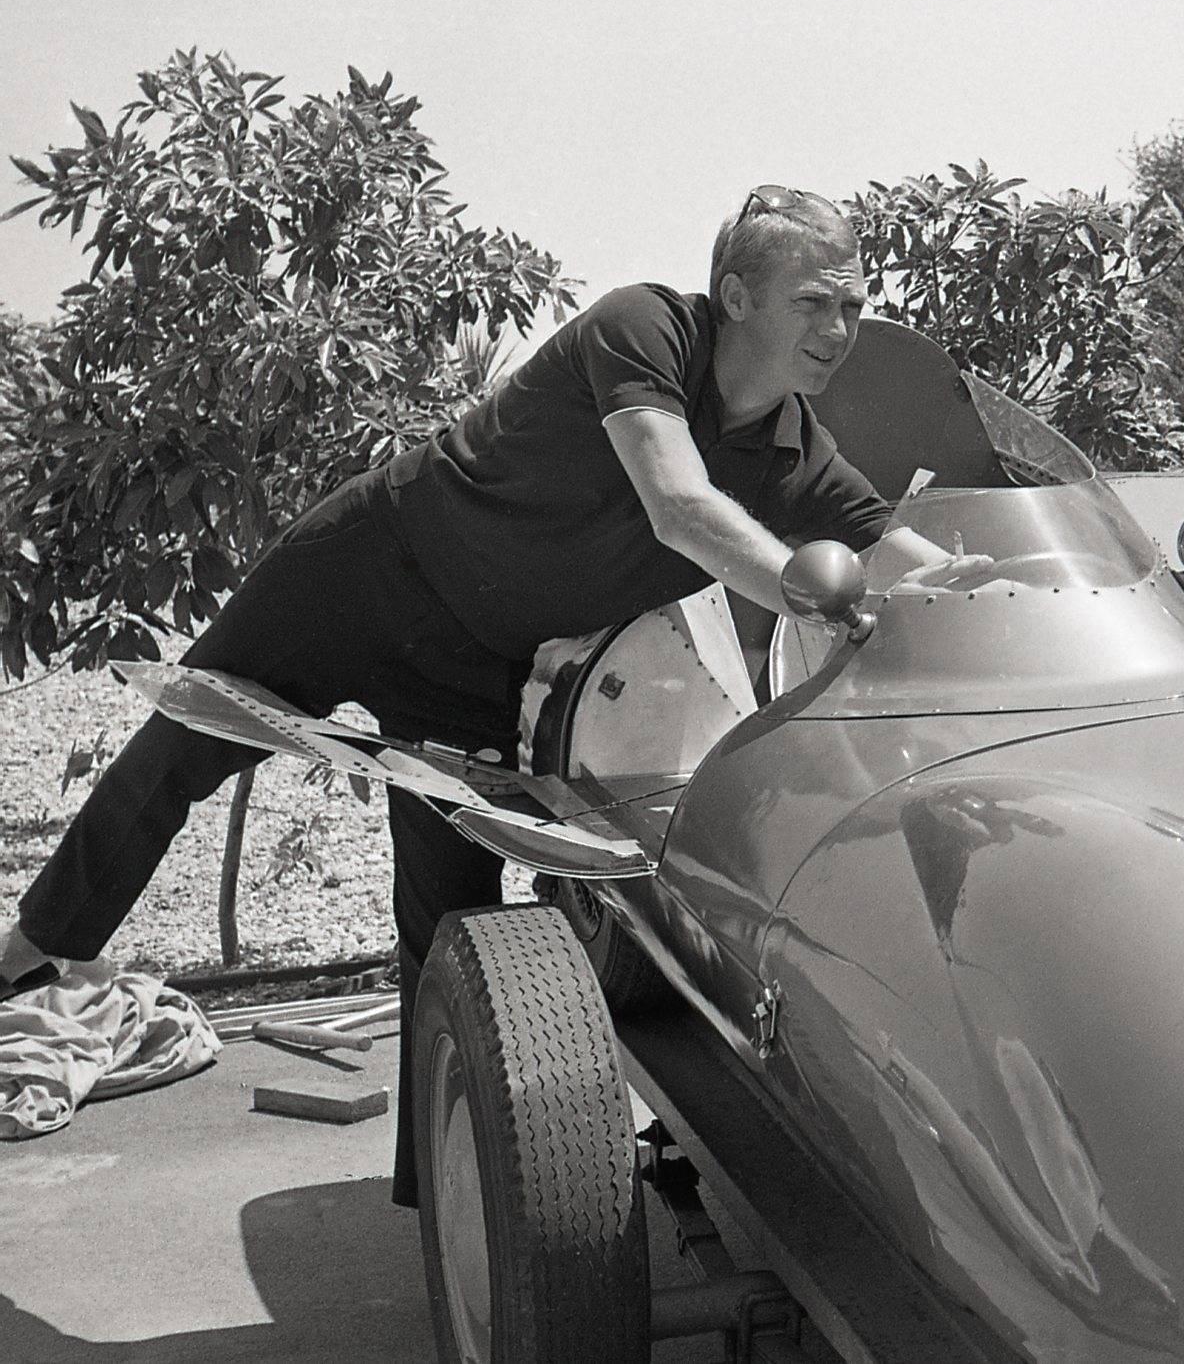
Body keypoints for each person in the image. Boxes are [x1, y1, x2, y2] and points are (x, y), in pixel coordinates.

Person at [0, 185, 982, 1202]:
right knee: (177, 749)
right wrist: (799, 585)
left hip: (473, 666)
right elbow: (679, 505)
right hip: (365, 570)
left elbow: (913, 564)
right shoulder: (645, 327)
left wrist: (1009, 591)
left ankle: (450, 1206)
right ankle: (29, 955)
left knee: (451, 922)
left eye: (854, 308)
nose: (841, 329)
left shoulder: (793, 454)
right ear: (735, 294)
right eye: (816, 303)